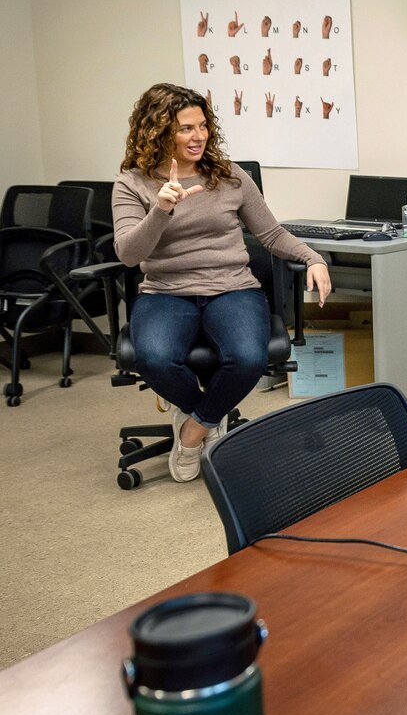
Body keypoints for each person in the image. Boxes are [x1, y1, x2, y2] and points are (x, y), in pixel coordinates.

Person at [113, 83, 332, 482]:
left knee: (249, 357)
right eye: (185, 129)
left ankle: (195, 428)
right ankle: (212, 416)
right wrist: (161, 209)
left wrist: (312, 257)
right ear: (157, 131)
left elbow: (271, 235)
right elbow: (128, 253)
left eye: (202, 126)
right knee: (154, 358)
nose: (198, 137)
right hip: (167, 290)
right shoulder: (132, 182)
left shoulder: (230, 177)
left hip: (232, 287)